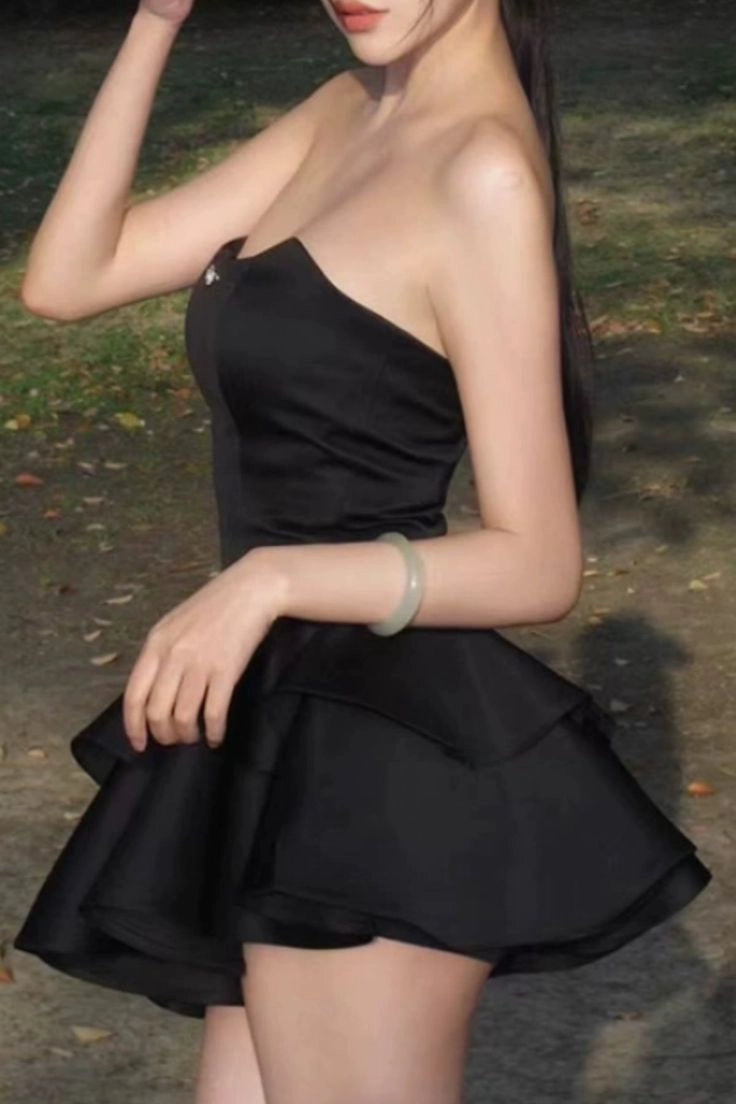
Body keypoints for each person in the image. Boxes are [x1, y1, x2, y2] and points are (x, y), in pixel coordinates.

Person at [13, 1, 712, 1102]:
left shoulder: (482, 173)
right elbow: (68, 279)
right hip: (283, 721)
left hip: (381, 763)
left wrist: (272, 579)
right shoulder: (346, 109)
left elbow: (538, 562)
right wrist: (154, 20)